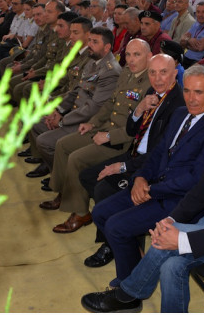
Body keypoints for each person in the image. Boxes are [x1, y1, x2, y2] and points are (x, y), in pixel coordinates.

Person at [80, 86, 204, 313]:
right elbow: (200, 192)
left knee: (162, 247)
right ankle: (133, 297)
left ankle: (126, 296)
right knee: (171, 265)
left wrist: (180, 240)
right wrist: (171, 219)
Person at [80, 65, 204, 273]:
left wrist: (150, 191)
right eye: (186, 91)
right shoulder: (179, 114)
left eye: (198, 92)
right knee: (100, 212)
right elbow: (158, 152)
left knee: (116, 226)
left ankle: (127, 289)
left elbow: (194, 178)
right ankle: (137, 270)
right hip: (152, 186)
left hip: (178, 200)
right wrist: (140, 178)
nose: (191, 98)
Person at [40, 53, 182, 233]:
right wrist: (139, 109)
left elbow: (158, 152)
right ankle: (102, 218)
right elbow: (130, 126)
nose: (157, 78)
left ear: (175, 73)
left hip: (145, 162)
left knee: (102, 188)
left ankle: (110, 235)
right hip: (133, 152)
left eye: (163, 72)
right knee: (87, 176)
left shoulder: (178, 105)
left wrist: (123, 166)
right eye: (152, 73)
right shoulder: (151, 93)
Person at [26, 27, 122, 179]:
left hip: (88, 123)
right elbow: (76, 91)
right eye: (89, 40)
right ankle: (55, 170)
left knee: (44, 141)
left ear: (107, 47)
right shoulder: (93, 62)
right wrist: (57, 111)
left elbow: (94, 107)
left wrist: (63, 121)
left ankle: (63, 180)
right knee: (37, 124)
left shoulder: (110, 71)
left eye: (94, 42)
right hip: (75, 115)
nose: (89, 44)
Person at [179, 2, 204, 68]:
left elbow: (199, 48)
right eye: (198, 12)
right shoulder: (196, 24)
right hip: (186, 57)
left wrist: (186, 41)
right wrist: (189, 40)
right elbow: (181, 42)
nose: (200, 15)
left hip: (198, 62)